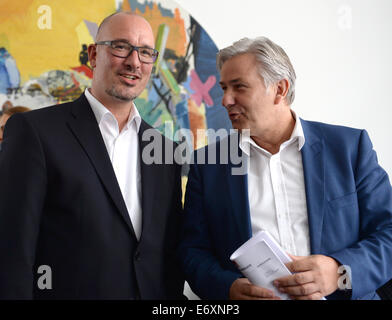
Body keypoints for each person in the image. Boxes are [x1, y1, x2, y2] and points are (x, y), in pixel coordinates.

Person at [178, 36, 392, 300]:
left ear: (280, 89)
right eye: (223, 88)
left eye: (239, 87)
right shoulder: (207, 165)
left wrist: (340, 272)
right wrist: (228, 289)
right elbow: (193, 252)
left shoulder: (349, 149)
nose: (226, 100)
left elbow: (388, 234)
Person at [0, 12, 184, 299]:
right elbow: (12, 251)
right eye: (121, 46)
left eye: (146, 52)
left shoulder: (166, 151)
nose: (134, 62)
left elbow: (167, 254)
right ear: (93, 54)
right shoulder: (34, 132)